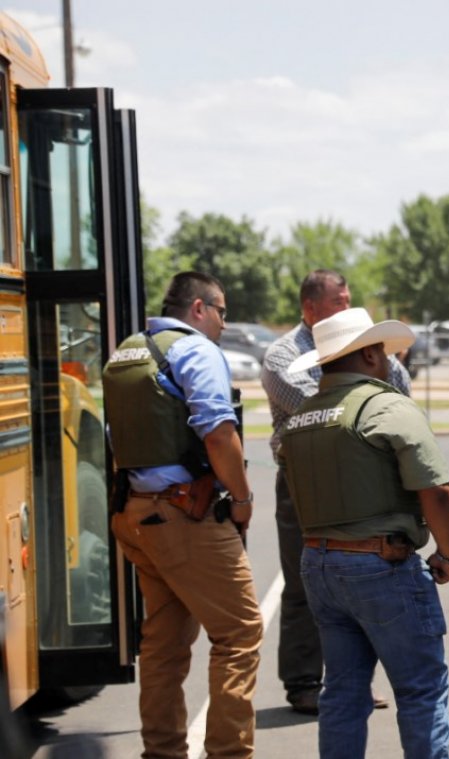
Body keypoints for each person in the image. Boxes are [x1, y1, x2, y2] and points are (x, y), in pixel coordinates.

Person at [280, 307, 449, 758]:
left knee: (341, 691)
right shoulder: (386, 406)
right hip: (380, 564)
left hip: (319, 563)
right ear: (373, 354)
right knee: (421, 690)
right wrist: (447, 553)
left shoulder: (301, 417)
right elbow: (436, 490)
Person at [102, 271, 261, 759]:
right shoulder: (194, 350)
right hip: (183, 516)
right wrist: (242, 498)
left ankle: (163, 752)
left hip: (135, 514)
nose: (224, 325)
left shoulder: (127, 351)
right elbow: (217, 432)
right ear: (199, 308)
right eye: (222, 313)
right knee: (239, 633)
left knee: (164, 645)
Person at [260, 269, 410, 715]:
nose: (348, 308)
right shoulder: (283, 355)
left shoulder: (363, 346)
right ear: (310, 309)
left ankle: (352, 681)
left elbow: (400, 391)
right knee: (305, 581)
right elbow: (323, 411)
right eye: (339, 301)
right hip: (304, 484)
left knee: (360, 577)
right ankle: (305, 682)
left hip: (363, 481)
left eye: (349, 299)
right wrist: (372, 400)